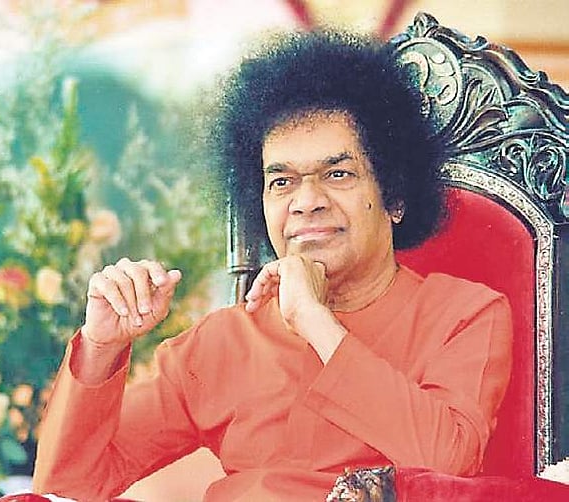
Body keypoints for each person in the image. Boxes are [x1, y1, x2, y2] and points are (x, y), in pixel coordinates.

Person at [32, 28, 513, 501]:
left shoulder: (464, 314)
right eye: (281, 182)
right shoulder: (224, 341)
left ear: (395, 197)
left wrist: (313, 319)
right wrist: (102, 345)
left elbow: (448, 461)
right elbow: (68, 489)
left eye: (338, 174)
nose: (306, 202)